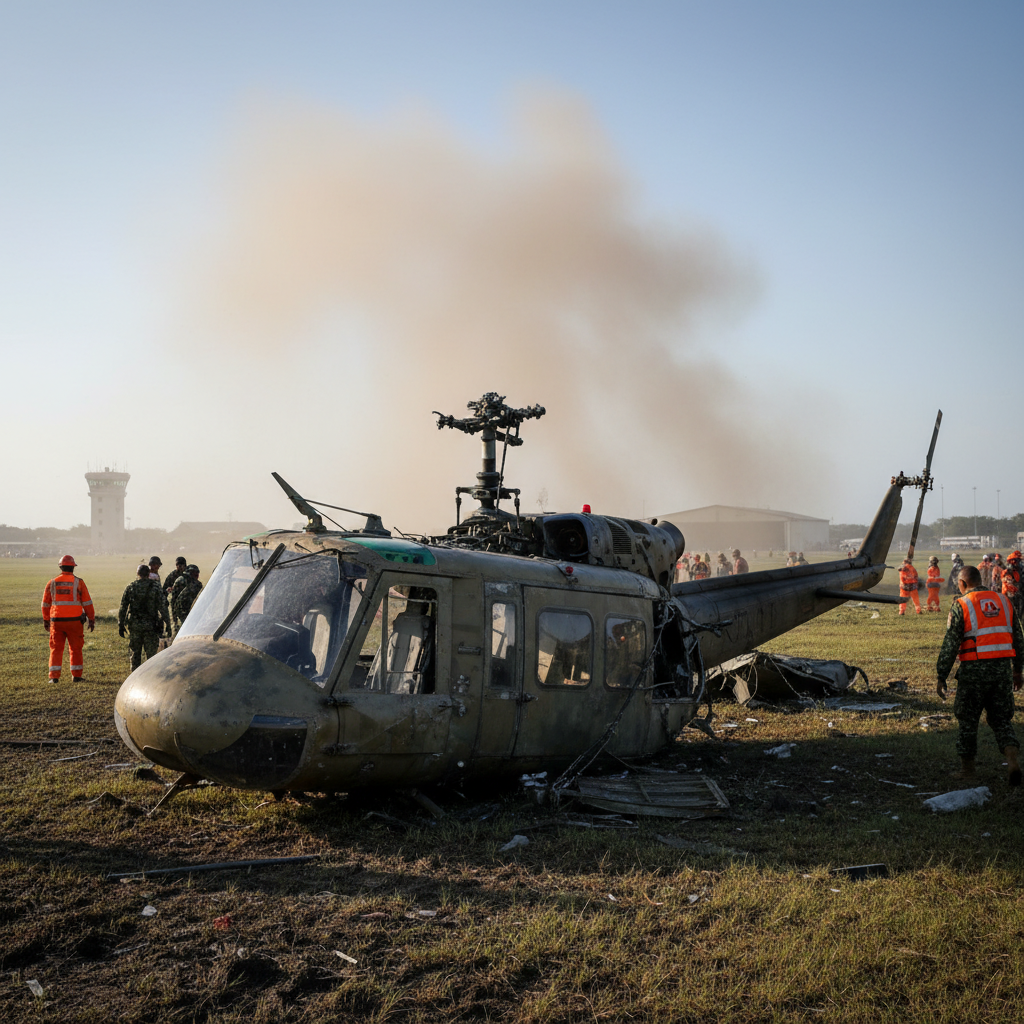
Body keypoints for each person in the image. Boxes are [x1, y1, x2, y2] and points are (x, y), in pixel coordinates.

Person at [936, 564, 1022, 785]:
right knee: (1001, 719)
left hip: (974, 672)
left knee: (967, 720)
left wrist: (941, 674)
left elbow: (951, 644)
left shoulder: (962, 604)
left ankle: (968, 771)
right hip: (1002, 672)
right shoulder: (1005, 601)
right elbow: (1019, 639)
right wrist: (1018, 671)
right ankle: (1012, 759)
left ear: (963, 583)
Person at [41, 554, 95, 683]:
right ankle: (76, 676)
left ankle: (54, 677)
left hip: (56, 622)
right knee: (76, 649)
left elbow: (45, 604)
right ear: (73, 568)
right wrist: (91, 618)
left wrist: (46, 619)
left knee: (56, 649)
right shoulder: (79, 582)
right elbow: (87, 602)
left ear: (60, 567)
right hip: (74, 622)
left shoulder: (52, 582)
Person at [118, 563, 171, 672]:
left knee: (135, 653)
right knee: (151, 655)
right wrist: (168, 624)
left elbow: (123, 607)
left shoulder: (131, 587)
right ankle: (150, 676)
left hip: (135, 626)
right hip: (151, 626)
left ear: (137, 574)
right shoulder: (155, 587)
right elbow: (163, 607)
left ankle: (134, 677)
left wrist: (121, 624)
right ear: (148, 574)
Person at [170, 564, 203, 634]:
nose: (197, 576)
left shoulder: (179, 580)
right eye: (195, 574)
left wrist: (174, 617)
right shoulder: (197, 585)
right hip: (189, 613)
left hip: (181, 612)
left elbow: (173, 600)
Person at [1003, 550, 1023, 625]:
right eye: (1016, 561)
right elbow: (1009, 585)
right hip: (1010, 593)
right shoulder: (1008, 571)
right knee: (1012, 609)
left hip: (1017, 592)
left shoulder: (1018, 570)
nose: (1017, 563)